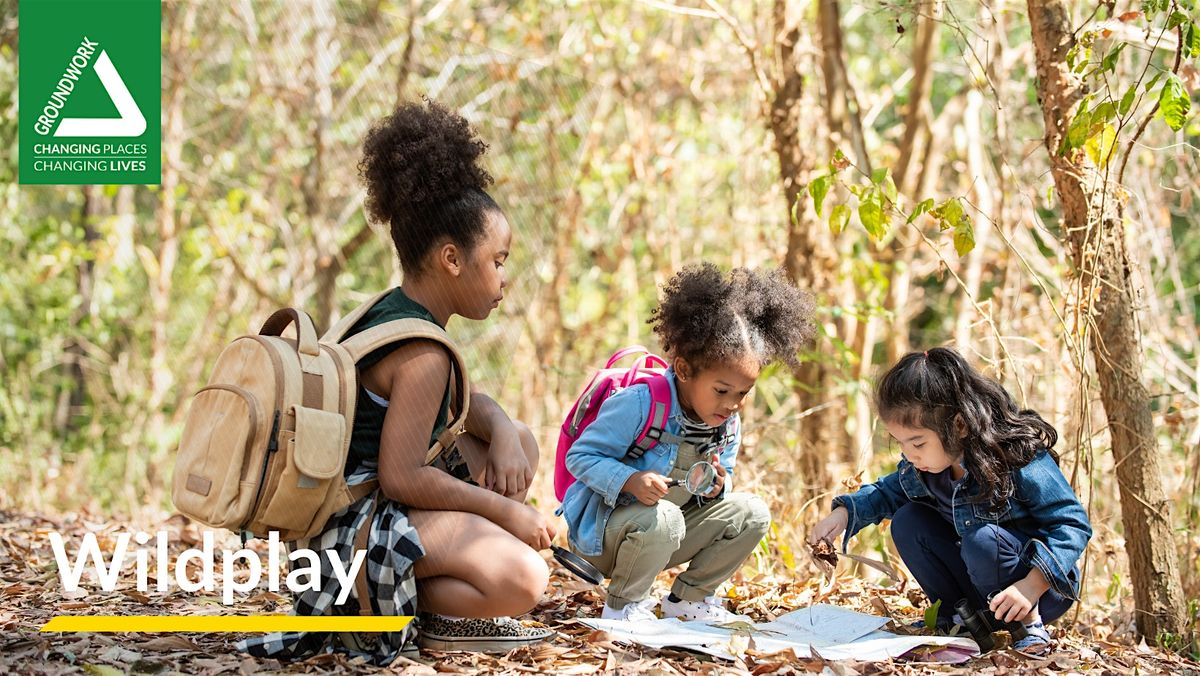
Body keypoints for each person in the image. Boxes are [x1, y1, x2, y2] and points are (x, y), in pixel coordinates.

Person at [243, 99, 554, 661]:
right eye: (499, 260)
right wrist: (504, 512)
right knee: (525, 580)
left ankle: (440, 586)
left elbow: (458, 409)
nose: (505, 277)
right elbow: (403, 475)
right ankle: (413, 613)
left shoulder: (393, 309)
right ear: (452, 259)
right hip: (350, 535)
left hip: (359, 513)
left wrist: (504, 430)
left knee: (522, 444)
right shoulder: (423, 351)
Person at [562, 264, 815, 621]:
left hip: (664, 533)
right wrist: (630, 480)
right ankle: (623, 607)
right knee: (664, 517)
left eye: (744, 393)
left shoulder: (727, 423)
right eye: (722, 391)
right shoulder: (639, 404)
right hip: (604, 537)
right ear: (683, 370)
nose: (733, 404)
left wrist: (717, 486)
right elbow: (581, 455)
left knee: (752, 513)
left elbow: (721, 476)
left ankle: (689, 601)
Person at [809, 347, 1092, 654]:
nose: (909, 454)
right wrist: (843, 514)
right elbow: (885, 493)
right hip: (982, 587)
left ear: (959, 425)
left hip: (1037, 590)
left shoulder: (1015, 457)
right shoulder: (924, 469)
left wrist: (1031, 586)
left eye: (918, 443)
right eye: (901, 444)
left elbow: (1072, 523)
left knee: (983, 540)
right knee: (908, 520)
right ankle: (955, 620)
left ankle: (1026, 625)